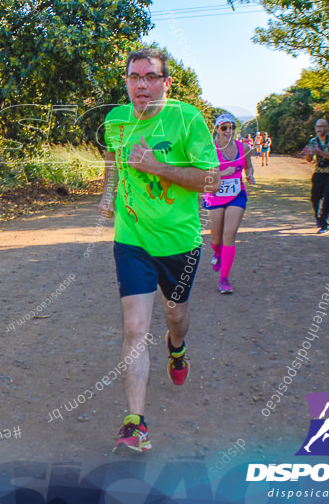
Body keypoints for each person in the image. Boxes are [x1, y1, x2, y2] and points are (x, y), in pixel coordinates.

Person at [98, 47, 220, 454]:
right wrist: (108, 194)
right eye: (134, 77)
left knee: (175, 315)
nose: (141, 85)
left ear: (166, 82)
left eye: (150, 77)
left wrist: (157, 167)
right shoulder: (115, 120)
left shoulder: (188, 119)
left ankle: (177, 347)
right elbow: (113, 162)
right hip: (131, 239)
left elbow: (211, 182)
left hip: (180, 243)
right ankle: (136, 423)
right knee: (135, 327)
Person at [203, 113, 255, 294]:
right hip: (215, 195)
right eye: (224, 127)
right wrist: (223, 174)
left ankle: (224, 279)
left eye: (231, 127)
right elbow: (203, 175)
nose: (228, 131)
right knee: (216, 239)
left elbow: (248, 165)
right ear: (217, 129)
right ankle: (218, 253)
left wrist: (250, 174)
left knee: (229, 234)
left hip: (236, 195)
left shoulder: (243, 147)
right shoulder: (209, 150)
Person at [302, 118, 329, 234]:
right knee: (314, 199)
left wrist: (320, 153)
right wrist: (308, 154)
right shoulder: (313, 141)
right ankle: (320, 218)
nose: (319, 129)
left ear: (326, 128)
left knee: (327, 199)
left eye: (322, 126)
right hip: (318, 174)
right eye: (317, 127)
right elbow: (309, 159)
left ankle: (325, 225)